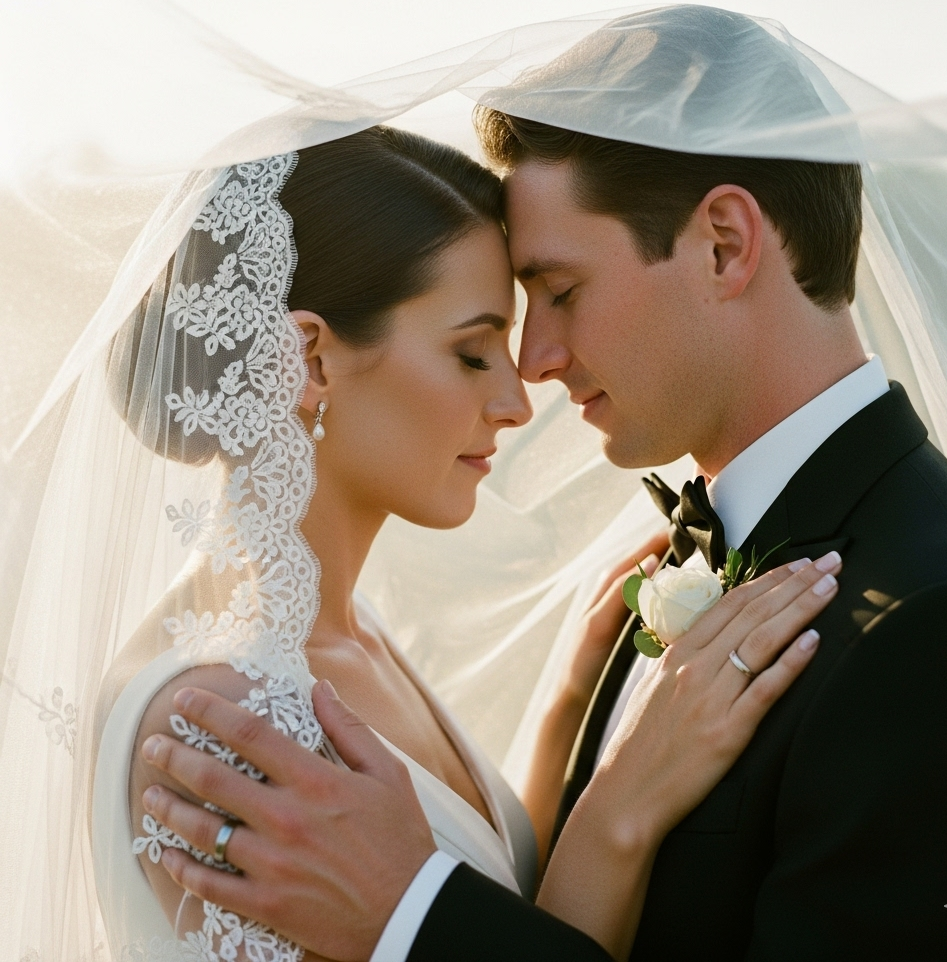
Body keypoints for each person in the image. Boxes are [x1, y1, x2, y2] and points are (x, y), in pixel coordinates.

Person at [140, 7, 947, 961]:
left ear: (724, 245)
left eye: (558, 292)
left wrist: (415, 915)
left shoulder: (919, 616)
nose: (538, 363)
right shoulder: (649, 584)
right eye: (487, 337)